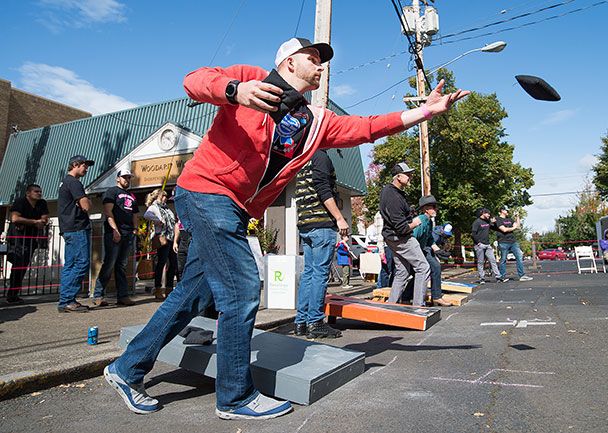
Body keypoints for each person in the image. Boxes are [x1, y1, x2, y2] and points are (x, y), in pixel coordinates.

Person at [104, 37, 469, 420]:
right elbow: (194, 80)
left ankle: (126, 370)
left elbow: (367, 127)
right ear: (289, 63)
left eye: (322, 60)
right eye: (312, 58)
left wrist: (423, 114)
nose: (321, 65)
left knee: (194, 295)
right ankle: (234, 397)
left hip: (236, 207)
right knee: (242, 289)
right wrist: (235, 91)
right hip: (207, 190)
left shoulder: (315, 121)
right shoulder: (251, 80)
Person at [295, 149, 346, 339]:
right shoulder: (321, 157)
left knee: (309, 273)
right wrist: (339, 218)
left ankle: (301, 322)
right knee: (319, 274)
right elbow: (323, 189)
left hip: (306, 223)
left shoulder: (303, 156)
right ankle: (315, 322)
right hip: (321, 224)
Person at [380, 163, 430, 306]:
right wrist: (415, 223)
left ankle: (391, 305)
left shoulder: (392, 192)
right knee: (423, 268)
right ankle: (418, 307)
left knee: (402, 272)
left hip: (392, 238)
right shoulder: (393, 196)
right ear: (398, 177)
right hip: (402, 238)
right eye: (407, 175)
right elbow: (401, 228)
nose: (410, 177)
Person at [92, 169, 138, 307]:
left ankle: (123, 296)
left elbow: (135, 213)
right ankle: (98, 295)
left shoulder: (131, 195)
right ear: (118, 178)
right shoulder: (112, 192)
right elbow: (108, 211)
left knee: (122, 265)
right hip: (114, 232)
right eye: (124, 177)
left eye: (129, 178)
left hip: (128, 233)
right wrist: (115, 230)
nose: (127, 180)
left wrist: (135, 229)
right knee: (109, 263)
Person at [57, 155, 94, 313]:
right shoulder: (74, 182)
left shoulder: (66, 182)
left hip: (68, 228)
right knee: (82, 263)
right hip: (77, 228)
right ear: (76, 165)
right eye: (85, 166)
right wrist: (86, 200)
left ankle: (65, 300)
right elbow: (86, 206)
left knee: (70, 265)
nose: (86, 169)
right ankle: (67, 300)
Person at [6, 184, 49, 304]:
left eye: (40, 191)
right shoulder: (20, 202)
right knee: (17, 265)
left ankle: (13, 293)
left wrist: (40, 222)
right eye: (36, 191)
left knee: (23, 266)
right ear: (28, 193)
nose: (39, 194)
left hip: (31, 239)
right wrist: (35, 221)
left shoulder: (42, 203)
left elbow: (45, 219)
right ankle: (11, 294)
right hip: (17, 238)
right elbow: (15, 218)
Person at [412, 195, 452, 307]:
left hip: (423, 249)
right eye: (433, 207)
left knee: (435, 267)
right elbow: (412, 239)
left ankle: (437, 297)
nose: (436, 209)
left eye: (436, 207)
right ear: (425, 209)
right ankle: (406, 297)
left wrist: (439, 251)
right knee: (421, 272)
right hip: (414, 250)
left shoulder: (429, 222)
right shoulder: (420, 221)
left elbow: (429, 239)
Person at [143, 189, 178, 300]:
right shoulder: (154, 207)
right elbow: (146, 215)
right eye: (163, 196)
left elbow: (173, 220)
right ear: (158, 196)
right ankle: (158, 288)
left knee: (173, 263)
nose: (165, 198)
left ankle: (169, 288)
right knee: (161, 262)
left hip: (171, 237)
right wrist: (158, 220)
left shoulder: (167, 209)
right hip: (162, 237)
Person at [471, 208, 508, 284]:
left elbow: (494, 228)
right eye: (487, 214)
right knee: (480, 262)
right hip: (480, 245)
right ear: (483, 213)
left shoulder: (487, 221)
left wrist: (494, 223)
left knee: (493, 261)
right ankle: (482, 278)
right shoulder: (476, 222)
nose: (489, 215)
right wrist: (478, 243)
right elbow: (473, 234)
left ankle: (498, 277)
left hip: (487, 244)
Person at [495, 206, 532, 282]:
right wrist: (513, 228)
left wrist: (518, 217)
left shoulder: (510, 219)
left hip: (513, 242)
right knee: (503, 260)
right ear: (501, 212)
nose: (507, 211)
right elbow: (504, 229)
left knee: (519, 257)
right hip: (503, 242)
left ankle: (522, 275)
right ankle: (502, 276)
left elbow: (518, 226)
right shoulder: (498, 219)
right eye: (505, 210)